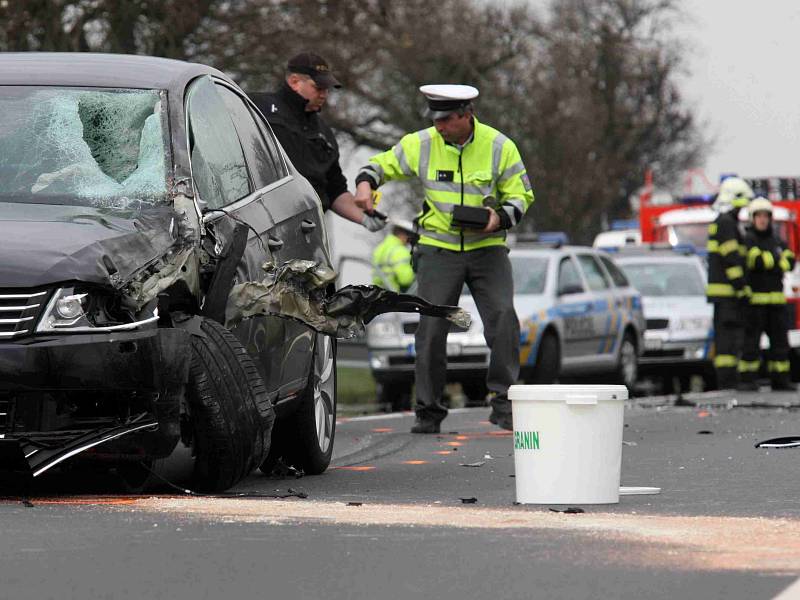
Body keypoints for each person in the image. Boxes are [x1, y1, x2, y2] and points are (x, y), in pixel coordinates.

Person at [354, 84, 534, 433]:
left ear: (467, 115)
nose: (439, 127)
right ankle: (429, 410)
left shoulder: (499, 146)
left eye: (447, 120)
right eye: (435, 120)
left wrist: (499, 218)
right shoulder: (421, 143)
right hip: (439, 250)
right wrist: (365, 186)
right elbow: (380, 166)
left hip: (487, 250)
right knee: (432, 328)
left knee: (503, 320)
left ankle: (504, 403)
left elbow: (522, 194)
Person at [249, 52, 385, 232]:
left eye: (327, 89)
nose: (324, 94)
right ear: (295, 82)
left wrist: (364, 217)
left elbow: (334, 190)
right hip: (261, 225)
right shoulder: (257, 107)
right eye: (318, 87)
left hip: (308, 231)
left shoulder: (324, 133)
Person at [738, 197, 797, 391]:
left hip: (777, 302)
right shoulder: (748, 238)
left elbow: (790, 261)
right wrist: (776, 259)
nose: (763, 220)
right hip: (756, 302)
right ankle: (748, 379)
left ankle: (780, 380)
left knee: (780, 344)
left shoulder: (777, 239)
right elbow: (756, 262)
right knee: (752, 344)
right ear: (752, 219)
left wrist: (772, 259)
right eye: (759, 216)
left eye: (766, 216)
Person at [706, 176, 753, 389]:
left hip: (723, 296)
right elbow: (731, 260)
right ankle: (728, 381)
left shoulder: (723, 221)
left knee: (728, 339)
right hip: (728, 296)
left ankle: (728, 380)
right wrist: (741, 287)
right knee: (728, 341)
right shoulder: (726, 223)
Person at [372, 220, 416, 293]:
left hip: (379, 292)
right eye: (409, 235)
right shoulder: (401, 251)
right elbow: (406, 280)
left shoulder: (380, 248)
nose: (410, 240)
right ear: (402, 234)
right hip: (396, 294)